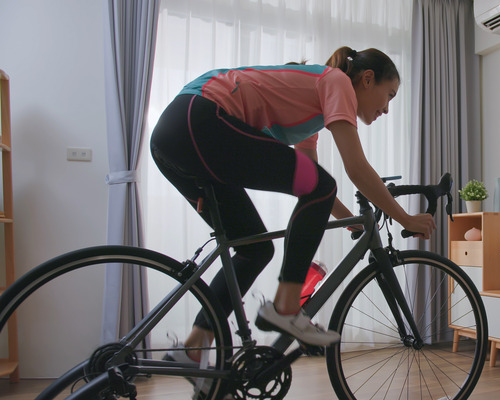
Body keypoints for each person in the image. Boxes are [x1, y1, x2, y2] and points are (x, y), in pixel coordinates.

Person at [150, 46, 435, 372]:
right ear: (367, 80)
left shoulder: (311, 110)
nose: (387, 108)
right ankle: (286, 307)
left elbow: (311, 181)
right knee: (322, 185)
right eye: (390, 95)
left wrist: (349, 220)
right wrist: (406, 217)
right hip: (199, 119)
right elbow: (355, 168)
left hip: (176, 136)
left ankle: (194, 348)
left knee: (254, 250)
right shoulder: (337, 82)